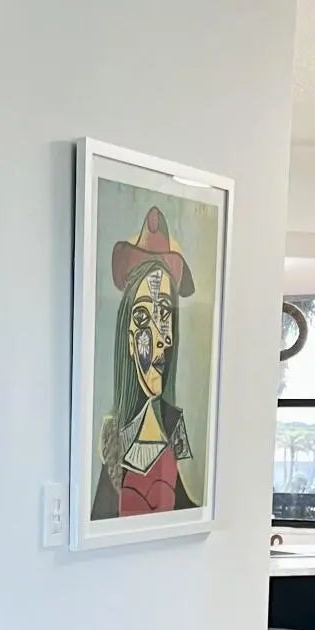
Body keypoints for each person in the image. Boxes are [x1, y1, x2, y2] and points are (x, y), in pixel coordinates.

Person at [92, 207, 200, 520]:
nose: (157, 339)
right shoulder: (113, 433)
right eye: (142, 318)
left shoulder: (174, 426)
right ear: (128, 337)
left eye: (164, 314)